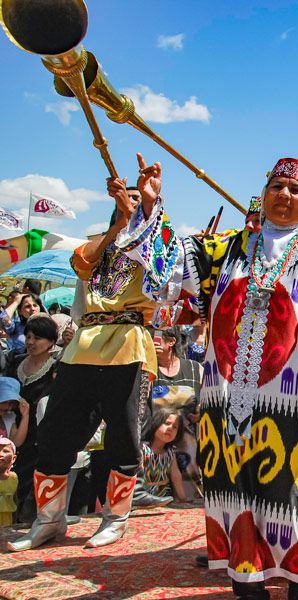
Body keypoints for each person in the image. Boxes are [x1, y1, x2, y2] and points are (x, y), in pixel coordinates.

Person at [117, 154, 298, 600]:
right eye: (277, 186)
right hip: (230, 407)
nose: (285, 196)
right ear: (263, 194)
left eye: (297, 190)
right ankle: (246, 581)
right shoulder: (226, 249)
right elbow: (170, 267)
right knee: (238, 493)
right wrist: (149, 207)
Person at [9, 184, 169, 552]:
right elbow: (82, 264)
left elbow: (158, 272)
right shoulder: (94, 246)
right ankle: (49, 520)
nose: (126, 206)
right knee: (55, 432)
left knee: (122, 436)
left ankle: (115, 518)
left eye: (135, 202)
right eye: (121, 202)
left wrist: (145, 206)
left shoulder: (155, 245)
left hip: (128, 344)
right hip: (82, 346)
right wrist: (118, 226)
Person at [6, 314, 58, 524]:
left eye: (37, 338)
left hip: (39, 439)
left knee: (30, 489)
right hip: (11, 434)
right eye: (28, 336)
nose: (30, 342)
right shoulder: (15, 361)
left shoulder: (56, 368)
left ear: (52, 342)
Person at [140, 407, 186, 503]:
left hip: (163, 499)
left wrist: (182, 498)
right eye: (167, 423)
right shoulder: (144, 449)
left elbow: (176, 475)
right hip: (142, 499)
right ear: (156, 423)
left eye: (175, 427)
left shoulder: (170, 452)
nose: (170, 428)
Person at [0, 437, 17, 526]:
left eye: (5, 451)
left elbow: (15, 501)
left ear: (13, 458)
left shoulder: (13, 478)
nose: (1, 454)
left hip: (7, 521)